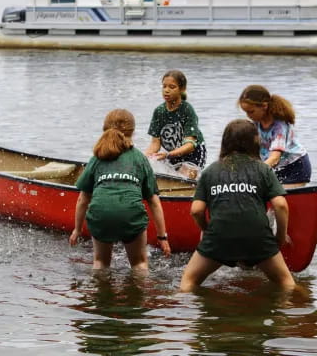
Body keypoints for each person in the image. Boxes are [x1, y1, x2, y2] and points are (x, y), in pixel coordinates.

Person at [179, 119, 295, 293]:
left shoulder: (210, 171)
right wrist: (279, 238)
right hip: (257, 237)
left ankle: (187, 317)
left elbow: (196, 211)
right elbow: (281, 206)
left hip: (219, 237)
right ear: (255, 143)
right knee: (286, 283)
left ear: (225, 143)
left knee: (188, 281)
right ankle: (290, 315)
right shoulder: (263, 170)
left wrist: (208, 230)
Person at [69, 109, 171, 270]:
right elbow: (153, 201)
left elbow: (83, 199)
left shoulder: (97, 158)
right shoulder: (139, 158)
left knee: (101, 262)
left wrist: (77, 229)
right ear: (133, 132)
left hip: (100, 215)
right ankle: (138, 294)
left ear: (105, 130)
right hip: (131, 216)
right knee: (139, 264)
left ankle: (100, 294)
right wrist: (162, 237)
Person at [238, 84, 311, 186]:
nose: (249, 116)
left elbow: (275, 158)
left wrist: (254, 174)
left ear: (264, 106)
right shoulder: (256, 123)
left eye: (251, 112)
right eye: (246, 112)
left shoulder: (279, 127)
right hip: (275, 167)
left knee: (279, 196)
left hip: (295, 167)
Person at [145, 70, 206, 173]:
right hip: (173, 153)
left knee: (185, 174)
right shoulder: (159, 111)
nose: (166, 90)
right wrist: (143, 159)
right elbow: (155, 143)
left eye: (172, 87)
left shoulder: (187, 110)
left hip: (194, 153)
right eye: (164, 86)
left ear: (182, 89)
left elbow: (190, 145)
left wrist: (168, 155)